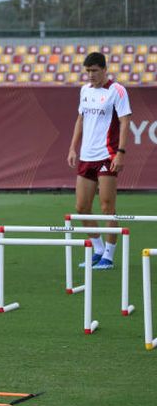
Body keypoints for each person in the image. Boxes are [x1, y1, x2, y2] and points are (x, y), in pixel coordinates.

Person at [67, 51, 131, 270]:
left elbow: (124, 122)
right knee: (81, 207)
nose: (91, 75)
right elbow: (80, 119)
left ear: (105, 69)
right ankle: (98, 249)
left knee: (106, 206)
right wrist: (73, 148)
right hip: (86, 156)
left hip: (107, 155)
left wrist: (121, 152)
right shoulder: (84, 90)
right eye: (87, 71)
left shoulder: (117, 91)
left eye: (94, 71)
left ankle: (109, 257)